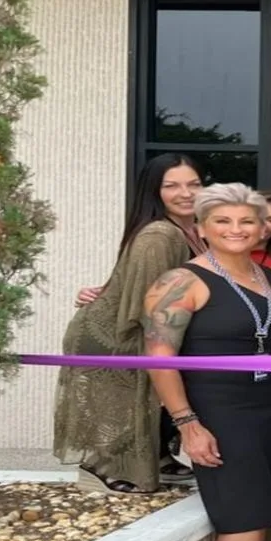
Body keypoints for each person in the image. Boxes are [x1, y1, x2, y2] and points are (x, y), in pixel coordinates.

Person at [142, 183, 271, 541]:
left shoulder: (264, 276)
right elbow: (158, 359)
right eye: (223, 221)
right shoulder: (181, 281)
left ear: (263, 227)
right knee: (243, 512)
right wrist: (188, 423)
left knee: (268, 505)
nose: (236, 229)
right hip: (220, 410)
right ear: (202, 228)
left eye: (247, 221)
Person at [55, 153, 206, 493]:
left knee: (160, 397)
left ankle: (159, 458)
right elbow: (148, 304)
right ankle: (101, 467)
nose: (186, 193)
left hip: (146, 327)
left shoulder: (195, 230)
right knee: (131, 404)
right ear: (154, 191)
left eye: (194, 184)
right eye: (172, 186)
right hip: (117, 335)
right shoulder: (159, 235)